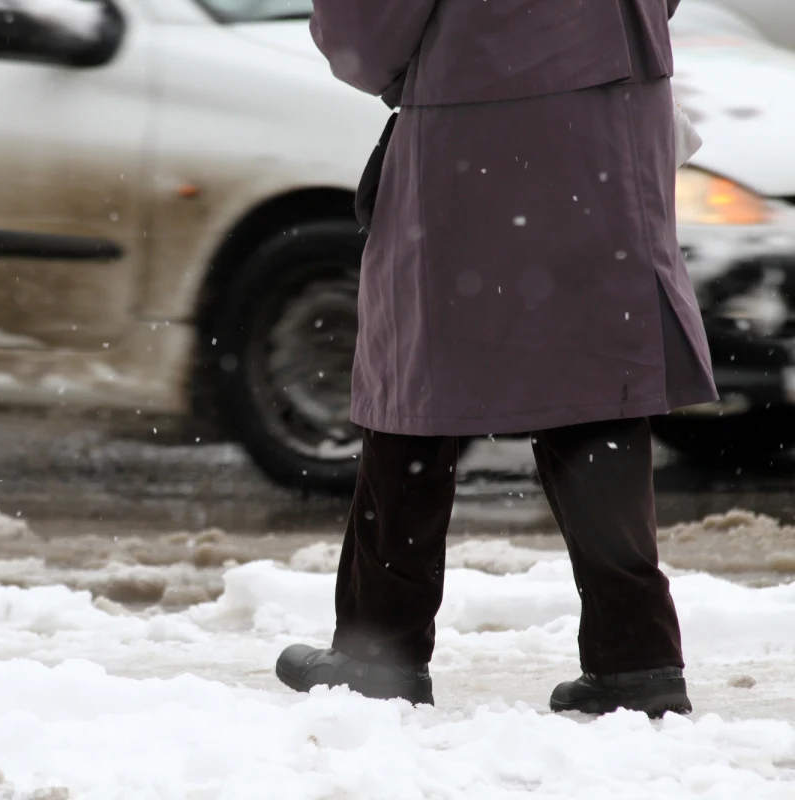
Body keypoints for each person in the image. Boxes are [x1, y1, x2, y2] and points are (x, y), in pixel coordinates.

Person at [275, 0, 716, 717]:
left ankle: (379, 648)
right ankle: (636, 655)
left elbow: (364, 33)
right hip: (614, 111)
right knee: (593, 373)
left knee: (420, 379)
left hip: (478, 110)